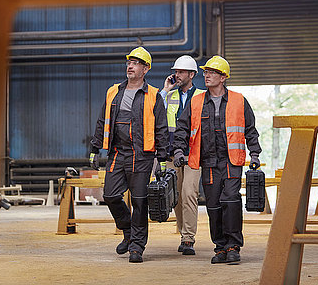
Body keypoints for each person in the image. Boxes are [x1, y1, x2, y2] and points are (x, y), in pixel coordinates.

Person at [172, 55, 261, 265]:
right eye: (206, 72)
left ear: (223, 78)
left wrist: (255, 154)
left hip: (231, 161)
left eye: (212, 72)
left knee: (230, 200)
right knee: (213, 206)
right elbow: (183, 128)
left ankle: (233, 245)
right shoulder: (196, 101)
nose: (207, 75)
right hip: (208, 162)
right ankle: (220, 247)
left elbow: (250, 130)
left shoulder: (239, 100)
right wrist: (178, 150)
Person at [89, 46, 169, 263]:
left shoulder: (153, 95)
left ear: (146, 69)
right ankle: (127, 230)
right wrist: (95, 149)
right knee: (111, 195)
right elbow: (102, 122)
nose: (130, 66)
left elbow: (161, 127)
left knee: (140, 201)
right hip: (117, 153)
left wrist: (161, 158)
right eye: (129, 63)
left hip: (142, 156)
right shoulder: (113, 91)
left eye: (135, 63)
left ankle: (137, 247)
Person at [160, 55, 203, 256]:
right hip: (171, 154)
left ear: (192, 74)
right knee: (175, 197)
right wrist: (165, 89)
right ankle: (183, 232)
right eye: (175, 71)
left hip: (193, 153)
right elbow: (155, 112)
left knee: (189, 194)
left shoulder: (202, 96)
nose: (177, 75)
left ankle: (188, 239)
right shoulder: (169, 95)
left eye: (181, 72)